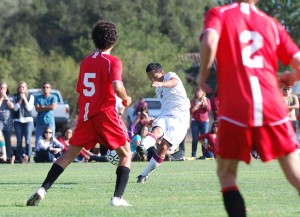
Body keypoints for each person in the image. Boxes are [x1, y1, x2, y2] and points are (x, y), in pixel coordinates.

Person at [199, 1, 300, 216]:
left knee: (227, 174)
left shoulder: (219, 13)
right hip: (271, 104)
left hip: (237, 106)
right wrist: (294, 75)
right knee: (295, 174)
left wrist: (203, 74)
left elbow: (209, 42)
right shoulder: (271, 23)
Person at [27, 20, 132, 207]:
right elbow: (117, 86)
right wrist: (126, 99)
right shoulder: (113, 62)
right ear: (114, 40)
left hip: (86, 115)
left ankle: (42, 189)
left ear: (94, 40)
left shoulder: (85, 62)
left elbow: (82, 91)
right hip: (105, 114)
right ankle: (117, 198)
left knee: (68, 155)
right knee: (126, 155)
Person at [136, 62, 190, 183]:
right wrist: (156, 119)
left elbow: (173, 83)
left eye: (154, 76)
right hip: (166, 115)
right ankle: (143, 147)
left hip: (180, 117)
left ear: (162, 72)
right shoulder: (158, 90)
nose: (152, 79)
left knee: (163, 147)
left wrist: (160, 83)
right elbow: (166, 106)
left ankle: (144, 174)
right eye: (150, 77)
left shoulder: (170, 76)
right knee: (156, 130)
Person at [13, 81, 34, 163]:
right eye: (20, 87)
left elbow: (29, 108)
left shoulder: (30, 96)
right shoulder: (15, 96)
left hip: (28, 121)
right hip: (18, 121)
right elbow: (15, 108)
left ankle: (28, 158)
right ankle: (21, 157)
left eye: (23, 87)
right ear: (18, 88)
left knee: (28, 140)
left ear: (26, 88)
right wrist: (20, 99)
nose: (21, 89)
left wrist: (24, 98)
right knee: (19, 141)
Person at [189, 87, 211, 159]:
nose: (199, 93)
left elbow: (208, 109)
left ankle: (204, 155)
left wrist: (204, 101)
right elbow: (191, 111)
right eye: (197, 92)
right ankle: (193, 155)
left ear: (203, 93)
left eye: (200, 92)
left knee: (204, 139)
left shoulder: (207, 100)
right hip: (195, 121)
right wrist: (198, 104)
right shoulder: (193, 101)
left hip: (204, 122)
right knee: (195, 139)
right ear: (196, 93)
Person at [0, 81, 14, 163]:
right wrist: (1, 98)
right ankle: (2, 156)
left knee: (8, 140)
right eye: (1, 88)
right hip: (0, 123)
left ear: (6, 89)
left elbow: (12, 106)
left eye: (4, 88)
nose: (2, 90)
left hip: (8, 123)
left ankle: (8, 157)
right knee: (1, 140)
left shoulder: (10, 97)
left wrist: (5, 97)